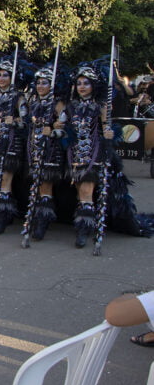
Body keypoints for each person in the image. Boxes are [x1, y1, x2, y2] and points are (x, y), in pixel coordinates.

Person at [66, 65, 114, 248]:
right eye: (79, 83)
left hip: (93, 154)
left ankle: (83, 230)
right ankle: (84, 220)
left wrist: (109, 132)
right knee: (80, 191)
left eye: (86, 83)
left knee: (86, 191)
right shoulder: (71, 106)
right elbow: (63, 126)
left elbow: (107, 126)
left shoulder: (100, 106)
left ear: (93, 85)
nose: (82, 87)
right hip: (74, 154)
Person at [23, 66, 67, 241]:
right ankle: (37, 216)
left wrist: (55, 129)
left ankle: (43, 220)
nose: (41, 86)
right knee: (37, 183)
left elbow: (65, 128)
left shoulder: (57, 103)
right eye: (38, 83)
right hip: (34, 148)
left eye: (45, 83)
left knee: (45, 185)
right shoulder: (33, 102)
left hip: (51, 150)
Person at [0, 55, 27, 235]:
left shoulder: (18, 97)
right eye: (0, 75)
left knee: (6, 177)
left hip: (12, 142)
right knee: (1, 177)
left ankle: (2, 215)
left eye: (5, 75)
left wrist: (16, 120)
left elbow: (27, 121)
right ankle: (7, 210)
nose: (1, 78)